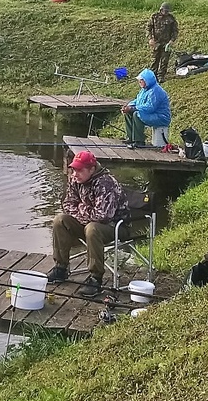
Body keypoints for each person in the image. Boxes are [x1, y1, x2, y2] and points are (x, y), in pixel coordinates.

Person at [45, 150, 129, 297]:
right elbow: (68, 205)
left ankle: (95, 279)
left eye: (79, 170)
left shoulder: (106, 183)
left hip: (116, 227)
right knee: (60, 220)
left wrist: (81, 208)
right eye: (74, 169)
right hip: (89, 223)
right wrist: (83, 212)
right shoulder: (75, 179)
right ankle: (61, 268)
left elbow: (103, 216)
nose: (75, 173)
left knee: (92, 229)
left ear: (91, 169)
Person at [121, 68, 171, 148]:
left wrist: (134, 108)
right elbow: (137, 100)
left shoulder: (156, 91)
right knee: (129, 113)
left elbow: (150, 107)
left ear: (147, 80)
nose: (139, 82)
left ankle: (139, 141)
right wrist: (128, 106)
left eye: (141, 80)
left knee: (137, 114)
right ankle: (130, 138)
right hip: (151, 114)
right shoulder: (144, 90)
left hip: (160, 116)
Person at [147, 2, 179, 81]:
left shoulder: (171, 19)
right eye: (164, 10)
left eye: (167, 11)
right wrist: (150, 38)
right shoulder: (154, 17)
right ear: (161, 9)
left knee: (164, 61)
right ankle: (152, 76)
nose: (166, 12)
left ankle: (161, 76)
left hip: (166, 43)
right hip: (156, 42)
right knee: (154, 60)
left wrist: (172, 40)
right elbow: (148, 28)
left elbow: (175, 31)